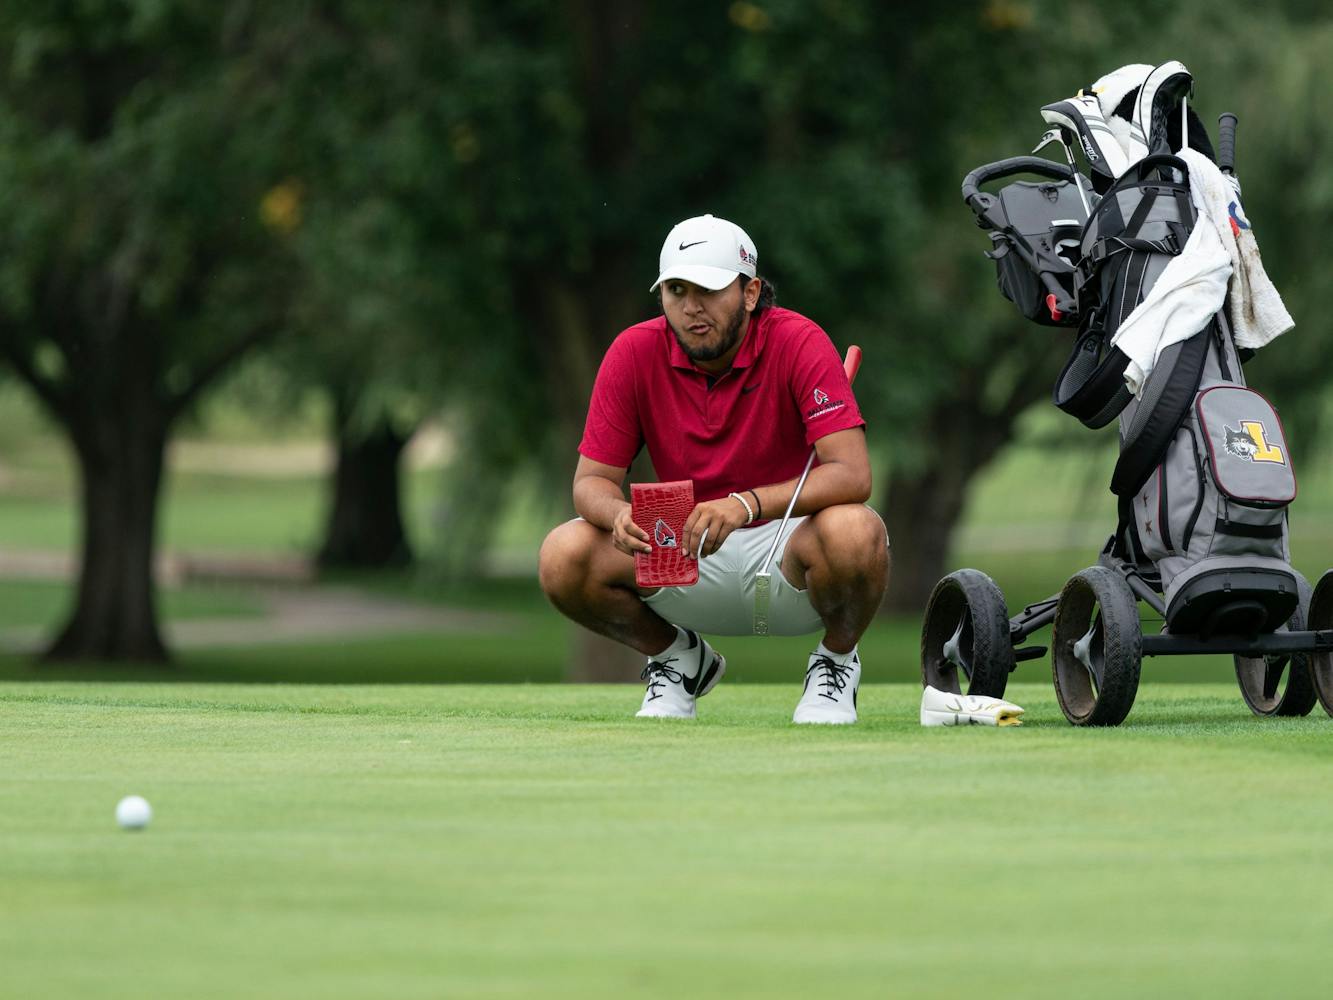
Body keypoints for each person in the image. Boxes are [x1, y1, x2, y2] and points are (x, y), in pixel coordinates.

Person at [538, 214, 889, 723]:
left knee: (857, 530)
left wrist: (745, 505)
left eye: (709, 289)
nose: (691, 307)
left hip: (787, 550)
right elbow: (590, 482)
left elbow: (853, 474)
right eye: (676, 290)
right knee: (562, 554)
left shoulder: (798, 340)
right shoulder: (633, 351)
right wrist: (616, 513)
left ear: (750, 293)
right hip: (679, 550)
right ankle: (678, 660)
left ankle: (835, 664)